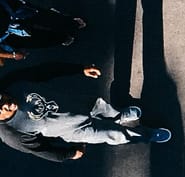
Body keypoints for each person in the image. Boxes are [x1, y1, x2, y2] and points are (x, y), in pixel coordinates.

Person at [0, 62, 170, 161]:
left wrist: (79, 69)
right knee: (116, 135)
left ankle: (120, 116)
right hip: (76, 131)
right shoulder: (10, 133)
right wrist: (69, 153)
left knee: (105, 109)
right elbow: (41, 149)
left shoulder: (12, 81)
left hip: (80, 103)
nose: (7, 103)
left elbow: (45, 70)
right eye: (1, 108)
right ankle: (146, 135)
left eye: (2, 98)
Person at [0, 0, 86, 58]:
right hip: (7, 35)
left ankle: (71, 23)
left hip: (12, 10)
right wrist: (12, 55)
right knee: (37, 41)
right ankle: (61, 38)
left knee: (45, 17)